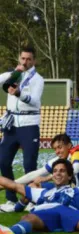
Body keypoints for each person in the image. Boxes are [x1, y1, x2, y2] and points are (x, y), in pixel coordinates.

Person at [0, 47, 44, 212]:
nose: (25, 62)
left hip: (29, 122)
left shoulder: (37, 79)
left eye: (29, 59)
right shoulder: (12, 74)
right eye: (23, 58)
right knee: (3, 161)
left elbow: (35, 101)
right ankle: (11, 200)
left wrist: (19, 93)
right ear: (19, 58)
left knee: (29, 164)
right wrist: (12, 75)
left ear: (34, 61)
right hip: (11, 123)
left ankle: (31, 199)